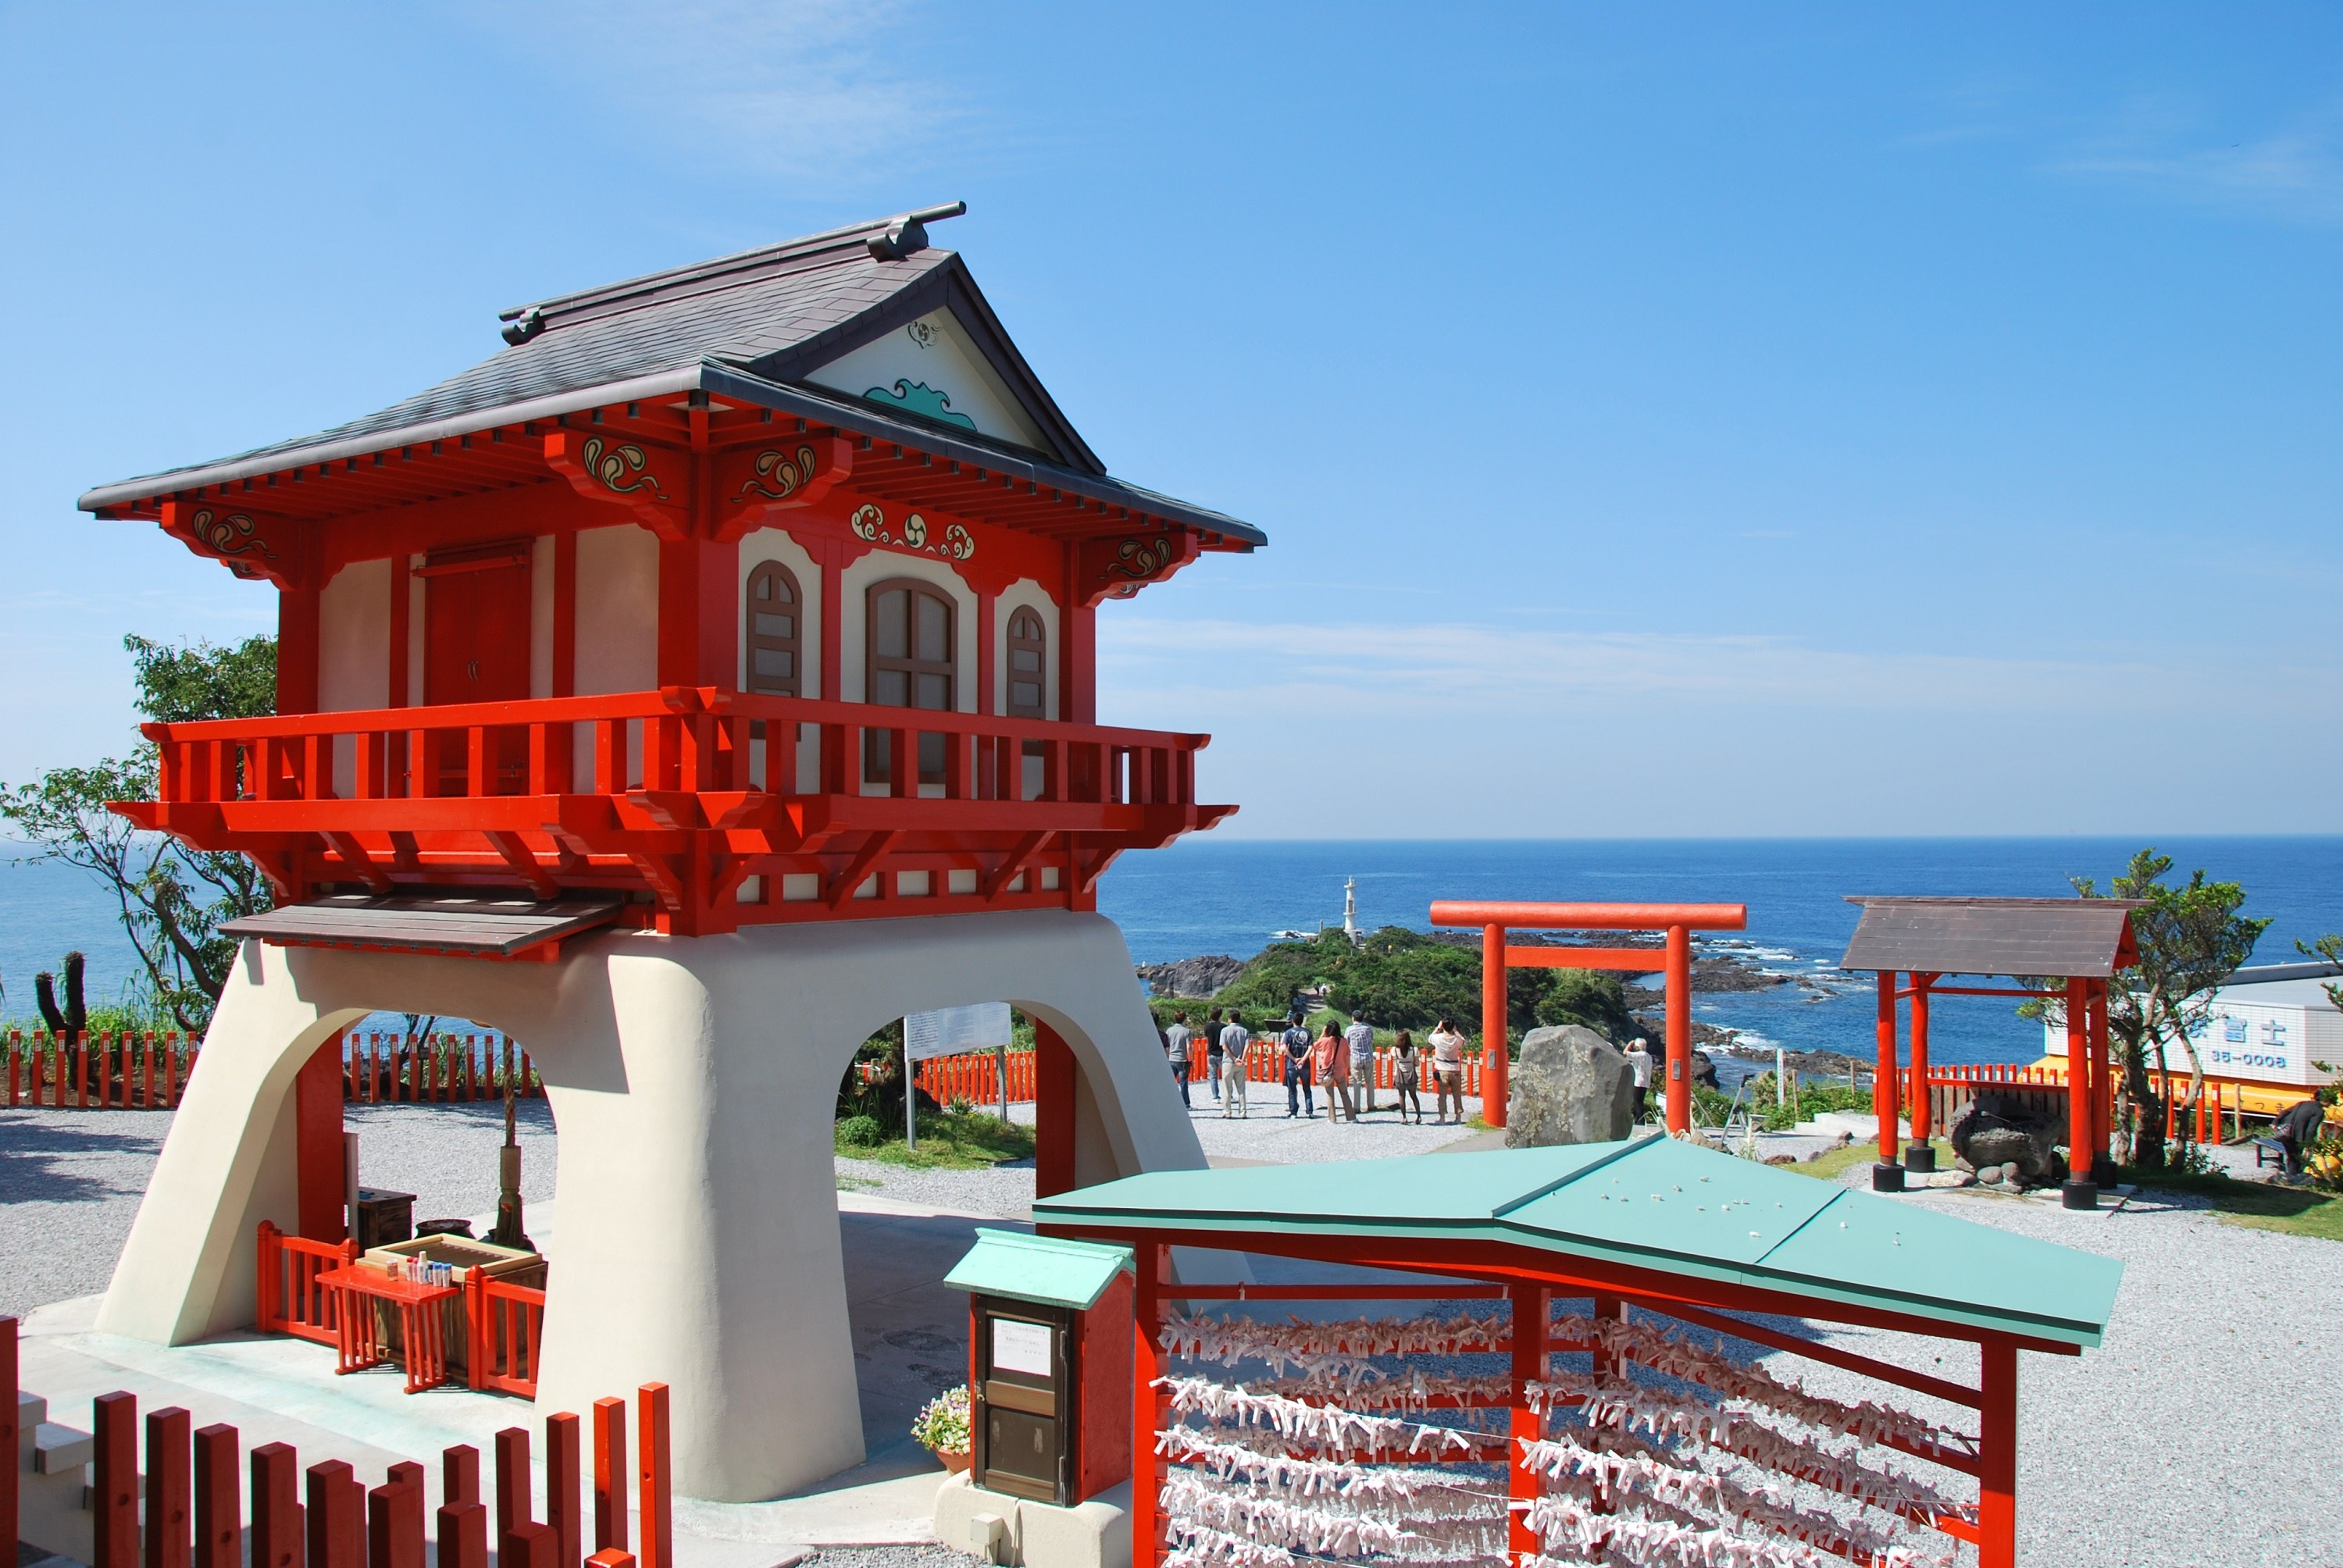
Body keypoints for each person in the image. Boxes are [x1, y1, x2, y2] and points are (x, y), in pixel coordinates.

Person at [2273, 1090, 2331, 1179]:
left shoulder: (2302, 1103)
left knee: (2291, 1155)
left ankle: (2290, 1175)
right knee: (2296, 1157)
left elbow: (2284, 1112)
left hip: (2285, 1132)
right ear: (2325, 1100)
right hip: (2298, 1136)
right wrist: (2308, 1144)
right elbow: (2311, 1130)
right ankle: (2294, 1178)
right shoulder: (2319, 1111)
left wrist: (2275, 1122)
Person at [1428, 1017, 1467, 1124]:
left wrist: (1438, 1028)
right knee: (1457, 1094)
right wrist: (1456, 1031)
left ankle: (1442, 1118)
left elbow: (1430, 1037)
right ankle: (1458, 1117)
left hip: (1442, 1069)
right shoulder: (1457, 1040)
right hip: (1455, 1069)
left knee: (1442, 1095)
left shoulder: (1438, 1038)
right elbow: (1463, 1041)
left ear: (1443, 1027)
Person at [1280, 1013, 1315, 1117]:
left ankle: (1293, 1112)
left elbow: (1285, 1048)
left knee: (1292, 1089)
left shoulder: (1288, 1033)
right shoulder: (1308, 1033)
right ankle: (1310, 1111)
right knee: (1307, 1088)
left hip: (1292, 1064)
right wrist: (1303, 1059)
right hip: (1305, 1065)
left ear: (1293, 1021)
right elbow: (1310, 1047)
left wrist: (1294, 1059)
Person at [1314, 1019, 1349, 1122]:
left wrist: (1323, 1034)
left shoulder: (1325, 1041)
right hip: (1340, 1069)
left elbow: (1315, 1046)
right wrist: (1348, 1068)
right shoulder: (1344, 1041)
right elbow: (1347, 1056)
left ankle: (1332, 1119)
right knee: (1345, 1094)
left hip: (1327, 1071)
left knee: (1330, 1095)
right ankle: (1351, 1117)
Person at [1345, 1013, 1378, 1117]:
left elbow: (1346, 1043)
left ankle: (1356, 1106)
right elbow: (1371, 1040)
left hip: (1355, 1058)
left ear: (1353, 1018)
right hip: (1368, 1057)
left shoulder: (1349, 1030)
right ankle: (1371, 1104)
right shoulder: (1368, 1028)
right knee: (1370, 1082)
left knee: (1357, 1083)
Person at [1219, 1013, 1251, 1117]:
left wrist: (1234, 1058)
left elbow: (1224, 1047)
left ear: (1230, 1019)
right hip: (1240, 1062)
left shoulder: (1224, 1031)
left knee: (1227, 1088)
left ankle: (1227, 1112)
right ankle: (1243, 1112)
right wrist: (1242, 1059)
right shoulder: (1244, 1031)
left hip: (1228, 1061)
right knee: (1241, 1088)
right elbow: (1247, 1046)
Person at [1164, 1010, 1193, 1109]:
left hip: (1172, 1058)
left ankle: (1168, 1101)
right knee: (1183, 1082)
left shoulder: (1169, 1030)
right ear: (1184, 1019)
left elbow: (1167, 1045)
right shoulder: (1186, 1031)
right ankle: (1186, 1104)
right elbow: (1189, 1046)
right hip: (1182, 1059)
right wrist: (1191, 1059)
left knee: (1171, 1082)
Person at [1393, 1030, 1423, 1124]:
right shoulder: (1414, 1050)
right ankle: (1418, 1116)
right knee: (1414, 1096)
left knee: (1402, 1096)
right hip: (1411, 1075)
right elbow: (1417, 1064)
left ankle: (1404, 1117)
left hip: (1400, 1075)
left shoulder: (1394, 1050)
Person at [1623, 1039, 1653, 1122]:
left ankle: (1640, 1120)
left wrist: (1629, 1044)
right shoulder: (1648, 1056)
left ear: (1638, 1047)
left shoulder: (1641, 1055)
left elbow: (1625, 1054)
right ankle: (1638, 1119)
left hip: (1638, 1081)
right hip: (1645, 1081)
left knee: (1637, 1102)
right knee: (1640, 1101)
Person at [1204, 1008, 1225, 1103]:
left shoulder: (1207, 1027)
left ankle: (1215, 1096)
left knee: (1213, 1076)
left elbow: (1207, 1039)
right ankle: (1229, 1095)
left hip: (1211, 1053)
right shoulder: (1223, 1027)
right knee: (1226, 1076)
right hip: (1221, 1053)